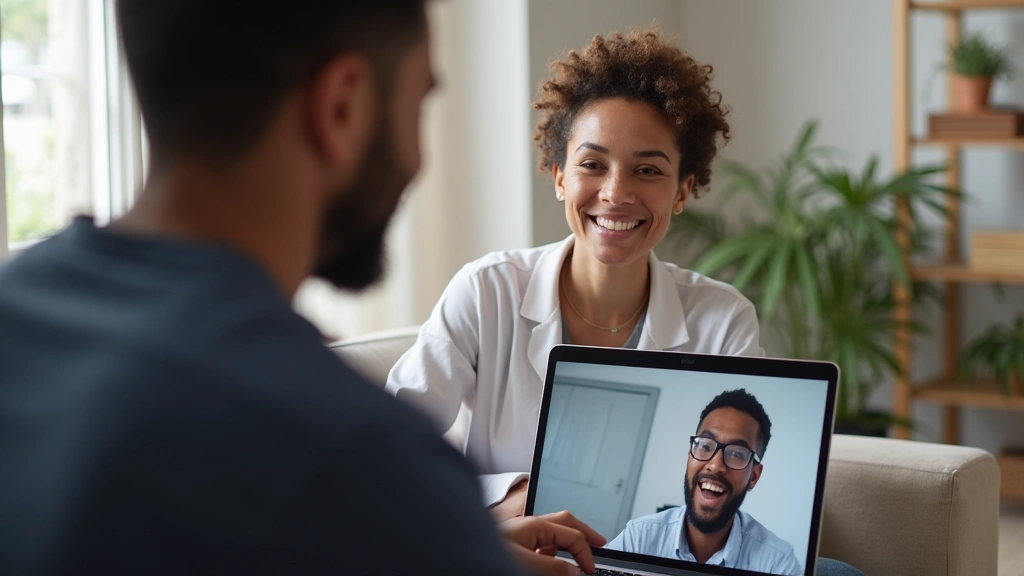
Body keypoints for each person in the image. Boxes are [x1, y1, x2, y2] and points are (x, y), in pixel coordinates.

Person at [0, 2, 602, 575]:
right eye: (419, 105)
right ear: (341, 105)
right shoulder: (362, 463)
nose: (418, 158)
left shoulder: (16, 311)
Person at [385, 26, 865, 576]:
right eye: (593, 164)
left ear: (683, 190)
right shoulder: (486, 290)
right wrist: (509, 497)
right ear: (560, 175)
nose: (616, 192)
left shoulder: (722, 318)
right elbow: (384, 454)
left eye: (648, 170)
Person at [605, 389, 802, 575]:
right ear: (689, 457)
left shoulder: (778, 563)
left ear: (753, 477)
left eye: (736, 454)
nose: (715, 466)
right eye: (705, 446)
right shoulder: (638, 537)